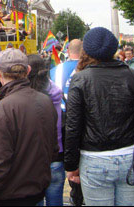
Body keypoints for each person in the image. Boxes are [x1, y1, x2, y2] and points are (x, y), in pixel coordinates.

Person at [64, 27, 134, 206]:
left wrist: (71, 165)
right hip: (131, 156)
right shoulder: (132, 76)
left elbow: (73, 125)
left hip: (95, 159)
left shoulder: (80, 80)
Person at [0, 48, 58, 206]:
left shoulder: (1, 111)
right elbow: (53, 150)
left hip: (11, 196)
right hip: (37, 192)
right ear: (27, 70)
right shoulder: (45, 101)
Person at [49, 38, 84, 206]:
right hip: (83, 119)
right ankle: (79, 192)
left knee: (65, 159)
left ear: (68, 51)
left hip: (62, 119)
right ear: (83, 52)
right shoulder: (88, 68)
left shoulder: (56, 70)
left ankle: (73, 191)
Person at [28, 54, 65, 206]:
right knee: (56, 201)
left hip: (33, 158)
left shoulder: (27, 95)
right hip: (56, 155)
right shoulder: (55, 91)